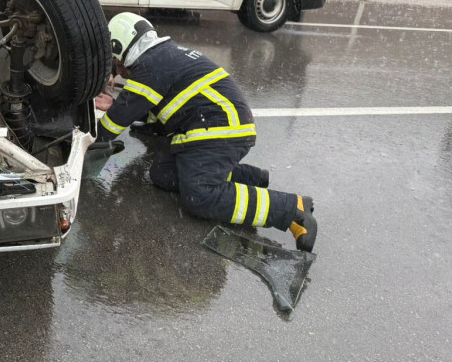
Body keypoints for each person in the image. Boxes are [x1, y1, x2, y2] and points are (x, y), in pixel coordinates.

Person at [93, 13, 318, 251]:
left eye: (118, 64)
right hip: (209, 127)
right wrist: (116, 105)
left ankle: (291, 211)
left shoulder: (151, 66)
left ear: (125, 50)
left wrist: (86, 143)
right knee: (162, 174)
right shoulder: (160, 56)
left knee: (200, 197)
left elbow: (113, 125)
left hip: (220, 129)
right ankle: (248, 177)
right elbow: (145, 107)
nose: (120, 72)